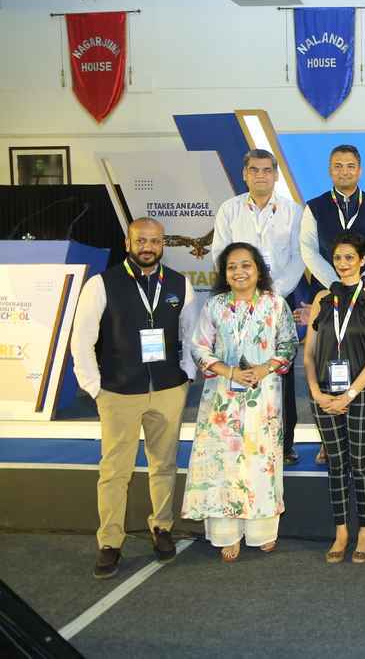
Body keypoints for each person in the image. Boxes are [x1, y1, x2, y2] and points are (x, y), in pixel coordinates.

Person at [70, 217, 197, 579]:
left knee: (164, 465)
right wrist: (95, 388)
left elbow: (191, 334)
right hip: (118, 392)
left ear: (162, 245)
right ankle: (110, 542)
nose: (148, 247)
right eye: (141, 240)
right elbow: (81, 339)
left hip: (168, 389)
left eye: (155, 241)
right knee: (114, 471)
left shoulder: (180, 284)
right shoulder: (101, 284)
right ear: (127, 243)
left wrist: (187, 374)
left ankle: (162, 527)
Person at [182, 243, 298, 561]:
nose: (239, 272)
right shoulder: (214, 306)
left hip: (264, 397)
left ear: (258, 269)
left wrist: (264, 368)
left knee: (261, 462)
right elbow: (199, 347)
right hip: (222, 399)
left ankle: (262, 532)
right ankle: (227, 534)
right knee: (225, 464)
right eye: (232, 267)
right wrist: (229, 371)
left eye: (246, 265)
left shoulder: (275, 304)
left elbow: (289, 344)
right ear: (224, 273)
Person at [211, 149, 307, 466]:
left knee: (281, 370)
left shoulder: (293, 211)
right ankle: (239, 438)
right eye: (254, 170)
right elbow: (220, 255)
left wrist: (270, 295)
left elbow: (299, 257)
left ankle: (285, 444)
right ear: (245, 174)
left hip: (279, 300)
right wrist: (245, 291)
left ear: (276, 175)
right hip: (238, 301)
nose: (261, 175)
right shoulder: (229, 210)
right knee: (239, 366)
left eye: (267, 170)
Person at [303, 231, 365, 564]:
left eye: (350, 257)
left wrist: (351, 394)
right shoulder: (322, 298)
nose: (343, 264)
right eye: (338, 257)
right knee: (336, 465)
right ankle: (341, 532)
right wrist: (315, 391)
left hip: (362, 393)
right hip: (324, 394)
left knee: (361, 464)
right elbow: (309, 354)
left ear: (363, 260)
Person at [300, 144, 365, 290]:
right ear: (330, 170)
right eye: (338, 166)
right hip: (325, 289)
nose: (344, 172)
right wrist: (333, 283)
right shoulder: (314, 207)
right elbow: (309, 250)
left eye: (350, 166)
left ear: (359, 171)